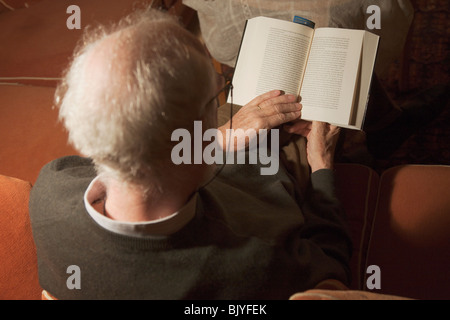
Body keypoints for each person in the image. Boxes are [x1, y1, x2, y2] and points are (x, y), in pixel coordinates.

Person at [29, 8, 352, 300]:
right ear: (195, 150)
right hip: (271, 178)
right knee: (341, 94)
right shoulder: (254, 262)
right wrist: (322, 168)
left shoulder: (50, 189)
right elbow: (331, 276)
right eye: (217, 95)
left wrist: (220, 139)